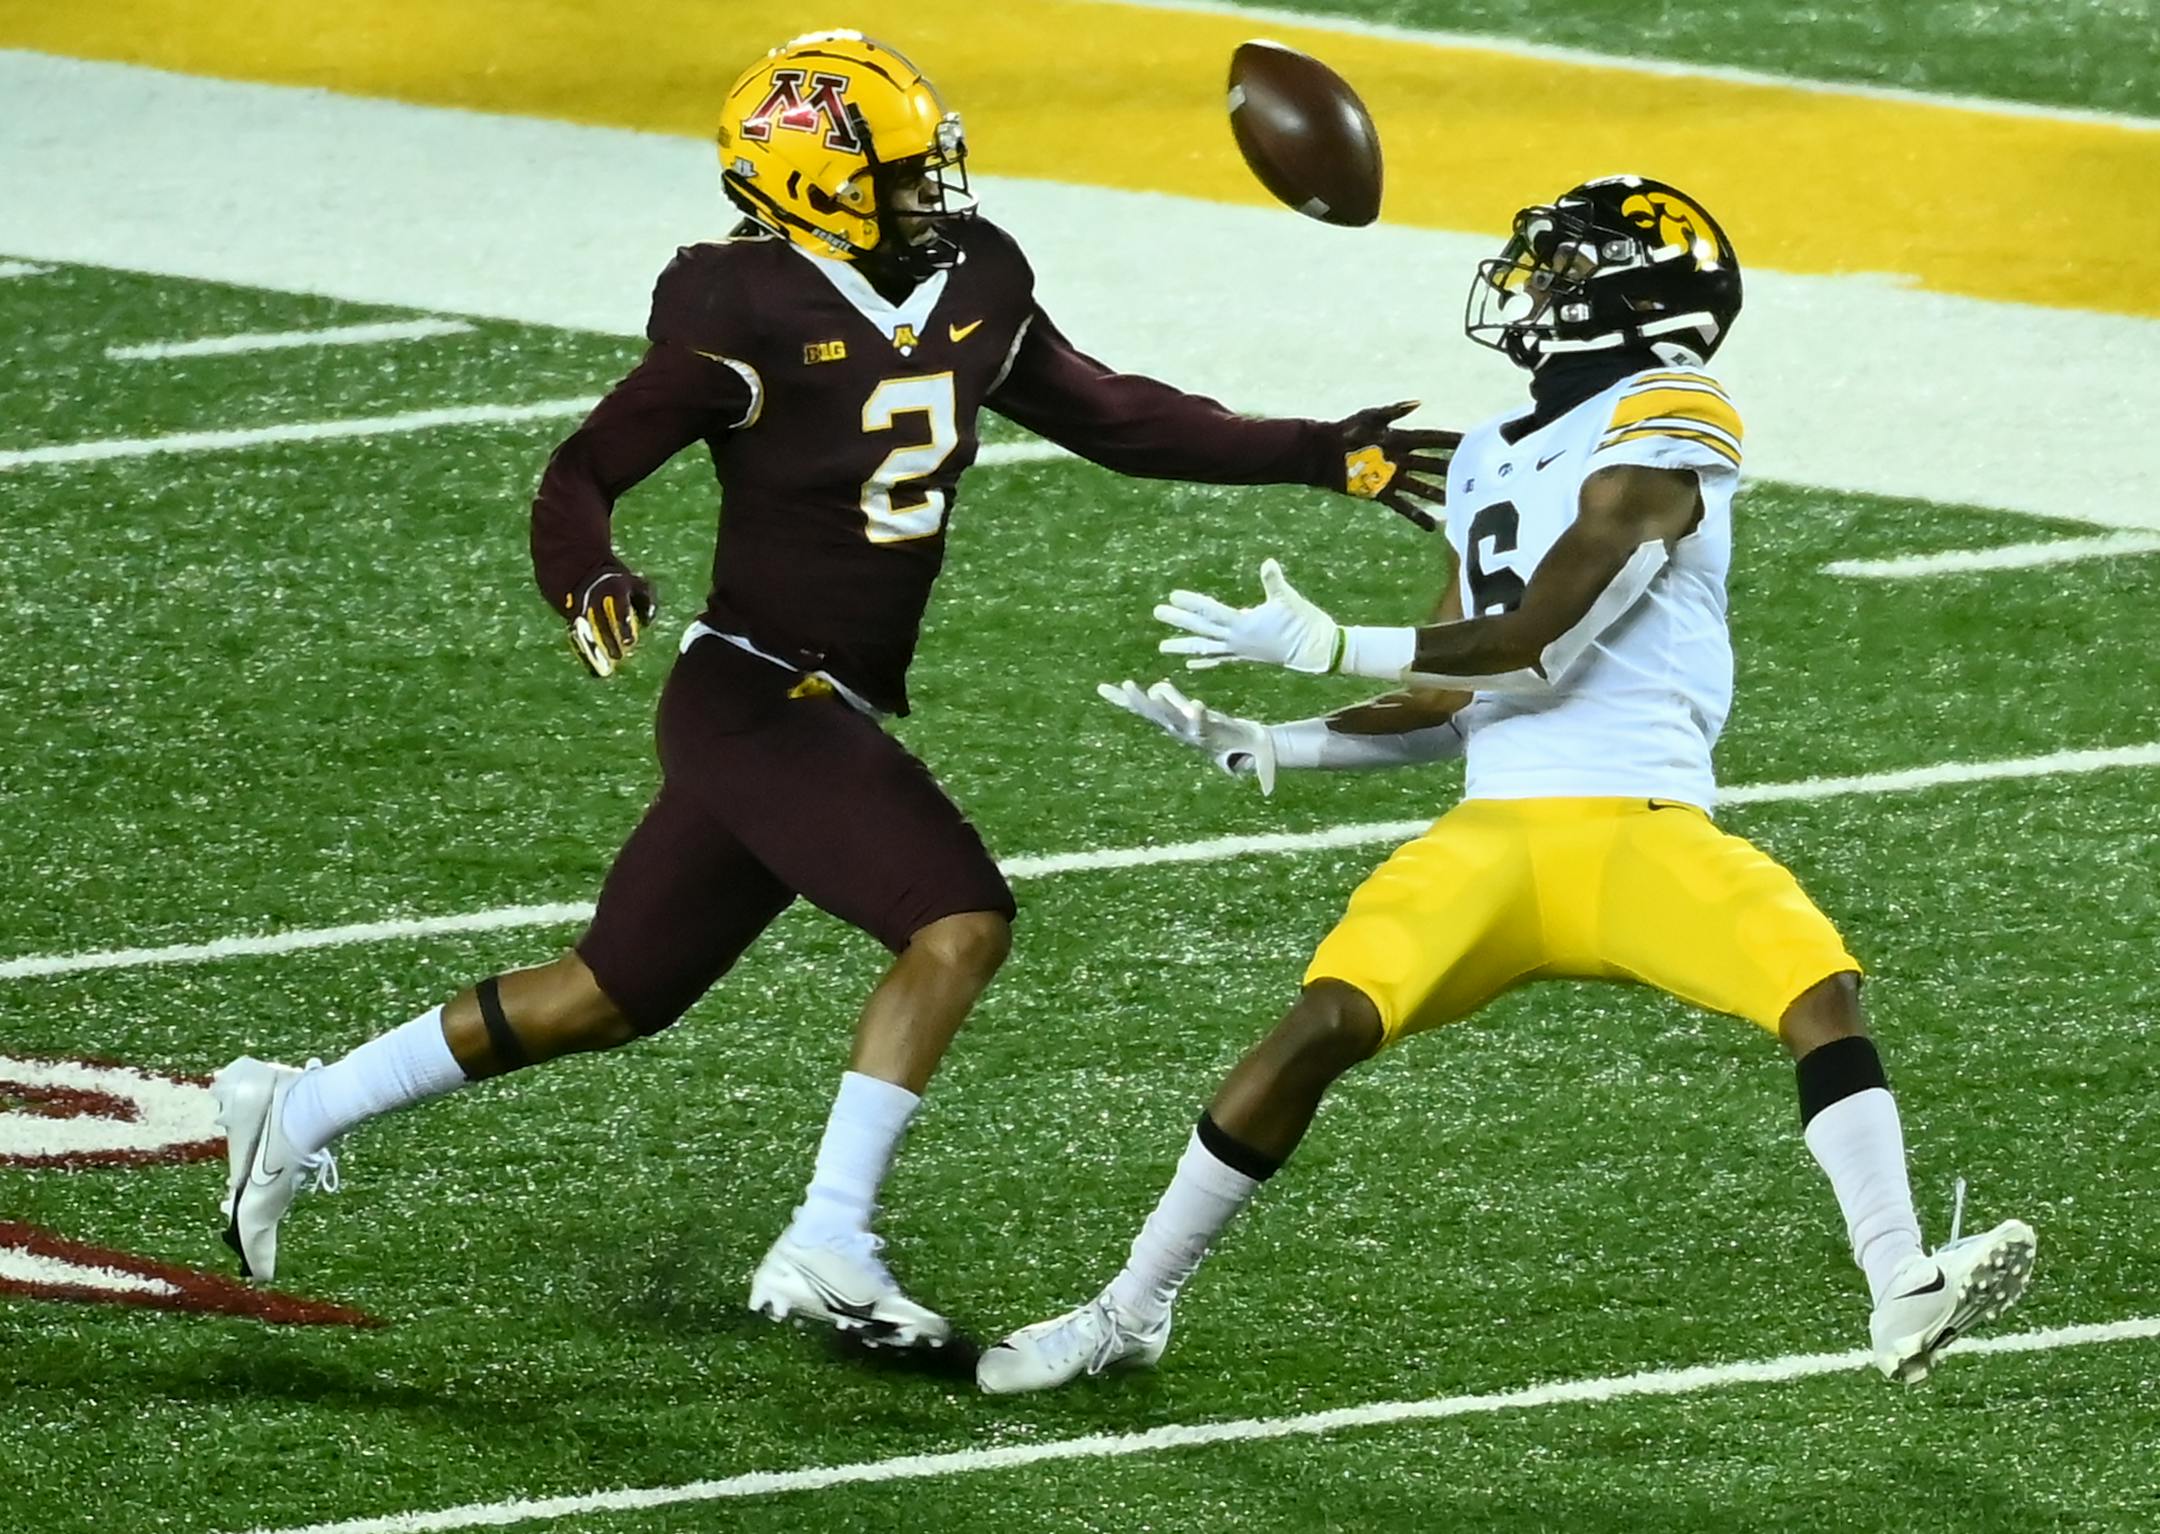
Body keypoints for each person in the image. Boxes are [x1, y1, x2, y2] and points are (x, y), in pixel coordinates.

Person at [208, 30, 1455, 1348]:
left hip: (824, 697)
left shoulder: (976, 273)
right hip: (751, 690)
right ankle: (828, 1236)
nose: (938, 196)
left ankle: (291, 1108)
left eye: (933, 169)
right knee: (960, 919)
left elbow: (1111, 413)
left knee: (606, 993)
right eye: (908, 177)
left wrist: (1323, 454)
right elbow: (582, 471)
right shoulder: (738, 310)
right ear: (811, 186)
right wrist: (588, 576)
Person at [977, 175, 2036, 1392]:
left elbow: (1538, 643)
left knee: (1818, 993)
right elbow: (1445, 698)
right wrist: (1278, 741)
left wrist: (1333, 643)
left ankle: (1902, 1280)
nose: (1535, 283)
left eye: (1568, 267)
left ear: (1635, 300)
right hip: (1492, 836)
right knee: (1319, 1023)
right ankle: (1129, 1308)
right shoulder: (1485, 450)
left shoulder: (1674, 411)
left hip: (1639, 824)